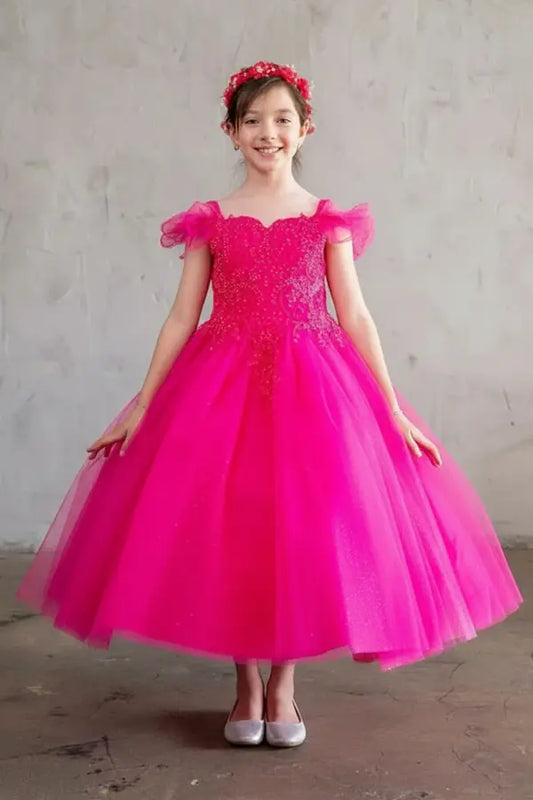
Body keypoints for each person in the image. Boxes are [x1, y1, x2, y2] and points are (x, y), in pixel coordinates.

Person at [16, 61, 522, 749]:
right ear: (229, 132)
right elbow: (179, 319)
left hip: (314, 389)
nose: (267, 132)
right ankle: (244, 683)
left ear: (305, 128)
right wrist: (140, 408)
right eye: (252, 120)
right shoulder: (212, 221)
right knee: (237, 532)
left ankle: (282, 688)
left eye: (282, 119)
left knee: (301, 532)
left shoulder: (325, 220)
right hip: (221, 389)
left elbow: (356, 318)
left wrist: (392, 411)